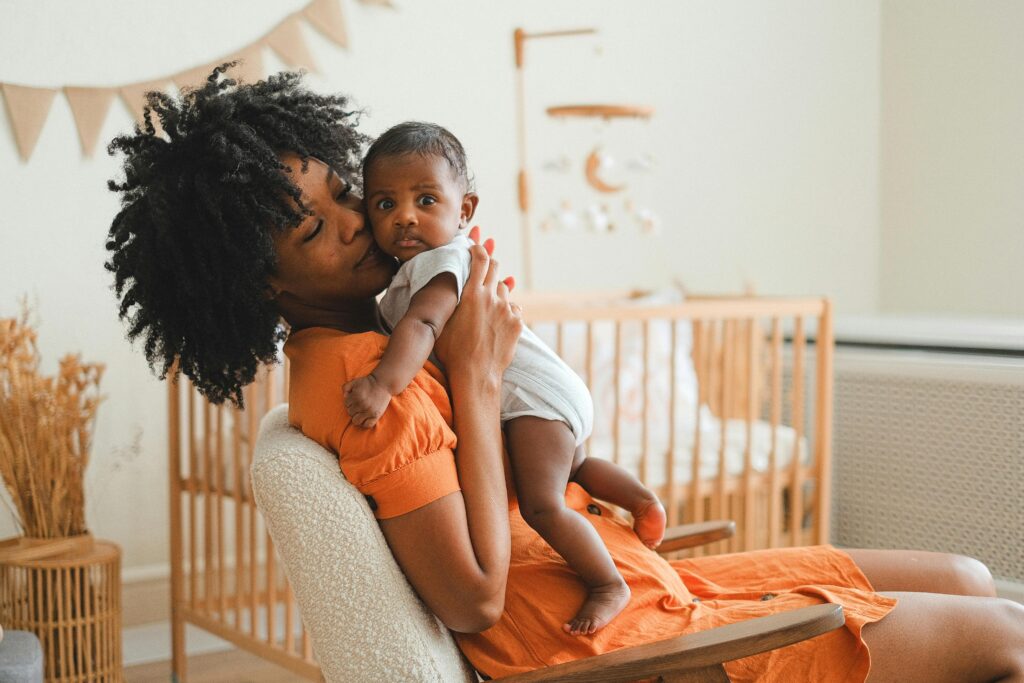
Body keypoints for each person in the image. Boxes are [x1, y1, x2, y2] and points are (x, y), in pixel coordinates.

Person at [105, 66, 1024, 682]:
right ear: (259, 285)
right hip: (618, 644)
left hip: (640, 578)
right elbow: (472, 597)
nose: (363, 223)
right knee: (1003, 637)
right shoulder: (357, 383)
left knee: (975, 577)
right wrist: (474, 369)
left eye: (347, 194)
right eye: (318, 228)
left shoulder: (383, 327)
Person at [342, 120, 665, 634]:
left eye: (425, 201)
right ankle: (641, 499)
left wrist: (383, 385)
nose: (404, 217)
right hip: (551, 393)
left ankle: (607, 583)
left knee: (543, 504)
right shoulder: (416, 271)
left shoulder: (441, 261)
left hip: (531, 397)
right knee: (574, 466)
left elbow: (425, 325)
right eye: (385, 205)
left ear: (464, 211)